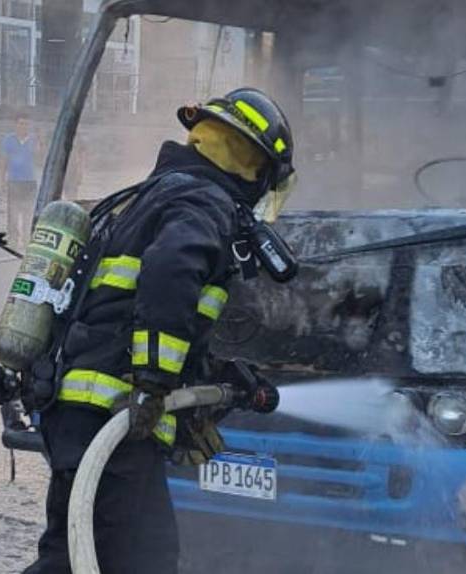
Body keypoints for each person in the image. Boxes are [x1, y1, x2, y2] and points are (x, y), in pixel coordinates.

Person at [24, 87, 295, 574]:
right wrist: (152, 384)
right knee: (137, 557)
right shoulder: (205, 201)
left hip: (83, 412)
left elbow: (128, 311)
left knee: (85, 553)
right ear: (252, 163)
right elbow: (170, 275)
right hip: (117, 414)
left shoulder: (155, 193)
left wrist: (215, 378)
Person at [0, 113, 40, 250]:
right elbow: (4, 160)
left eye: (26, 124)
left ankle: (27, 239)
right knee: (13, 212)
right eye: (21, 123)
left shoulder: (33, 140)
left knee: (29, 212)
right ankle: (13, 240)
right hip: (14, 180)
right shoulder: (9, 140)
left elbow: (40, 155)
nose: (24, 126)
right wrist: (2, 180)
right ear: (16, 125)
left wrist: (40, 141)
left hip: (29, 180)